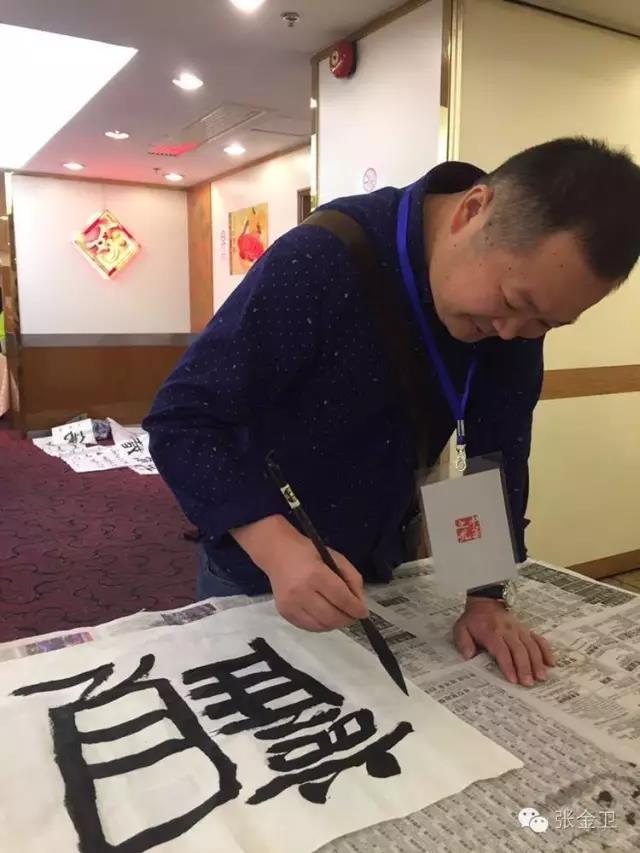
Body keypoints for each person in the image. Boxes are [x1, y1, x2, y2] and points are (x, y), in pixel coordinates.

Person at [145, 137, 640, 688]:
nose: (512, 334)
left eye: (546, 323)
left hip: (387, 561)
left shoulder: (519, 314)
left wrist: (485, 596)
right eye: (513, 303)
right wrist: (277, 548)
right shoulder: (321, 258)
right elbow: (183, 419)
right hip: (260, 564)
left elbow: (492, 447)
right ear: (473, 211)